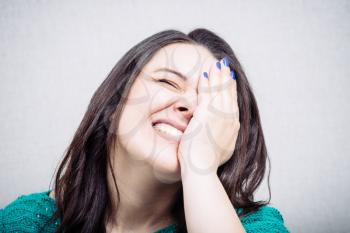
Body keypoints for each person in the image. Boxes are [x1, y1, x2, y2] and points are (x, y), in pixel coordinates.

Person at [0, 28, 290, 233]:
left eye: (209, 102)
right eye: (167, 82)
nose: (190, 105)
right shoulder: (28, 223)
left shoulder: (256, 227)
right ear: (114, 104)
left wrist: (199, 165)